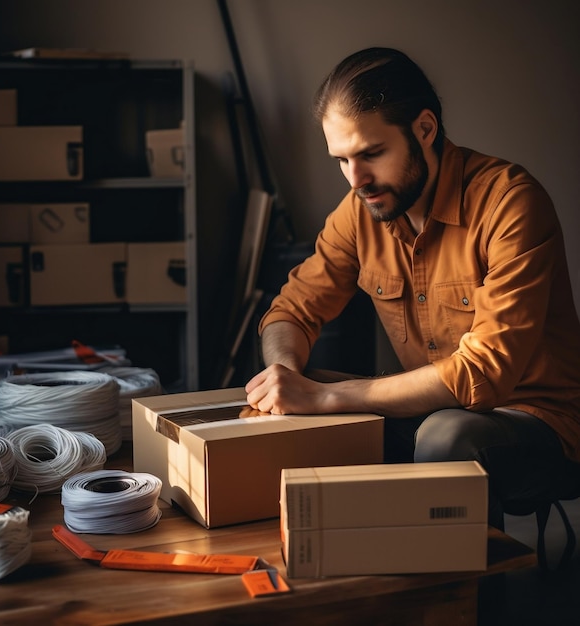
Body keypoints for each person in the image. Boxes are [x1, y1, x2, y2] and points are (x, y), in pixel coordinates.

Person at [245, 47, 580, 529]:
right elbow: (291, 311)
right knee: (305, 388)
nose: (356, 179)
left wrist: (326, 397)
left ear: (424, 129)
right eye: (341, 160)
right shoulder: (360, 211)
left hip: (539, 422)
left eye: (371, 154)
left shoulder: (510, 202)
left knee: (447, 435)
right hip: (432, 409)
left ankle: (464, 603)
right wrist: (283, 379)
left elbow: (481, 374)